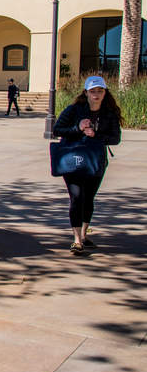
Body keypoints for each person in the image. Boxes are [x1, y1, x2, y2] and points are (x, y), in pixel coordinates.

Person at [52, 76, 121, 256]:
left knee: (88, 197)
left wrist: (96, 134)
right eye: (93, 91)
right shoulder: (74, 110)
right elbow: (57, 130)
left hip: (96, 161)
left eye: (100, 91)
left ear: (105, 93)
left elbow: (115, 138)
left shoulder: (109, 113)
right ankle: (76, 240)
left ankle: (84, 234)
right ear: (86, 92)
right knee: (76, 197)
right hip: (73, 160)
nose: (96, 95)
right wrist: (78, 128)